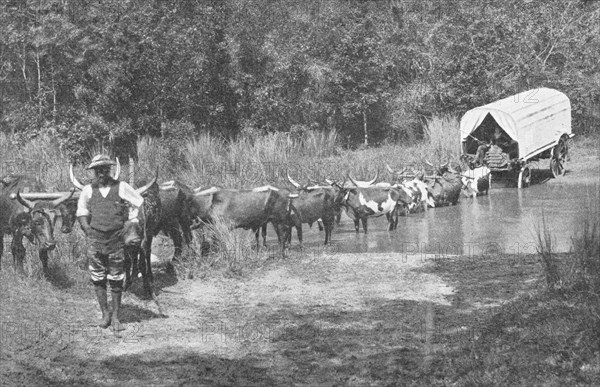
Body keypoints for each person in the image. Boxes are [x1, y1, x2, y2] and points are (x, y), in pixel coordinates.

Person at [76, 154, 143, 331]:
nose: (101, 173)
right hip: (95, 241)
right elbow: (81, 211)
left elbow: (137, 202)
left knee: (116, 279)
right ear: (94, 172)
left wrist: (130, 222)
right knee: (97, 279)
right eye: (98, 170)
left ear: (110, 170)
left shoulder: (121, 187)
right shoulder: (88, 190)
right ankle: (105, 314)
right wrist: (87, 229)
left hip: (116, 241)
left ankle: (116, 317)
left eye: (105, 169)